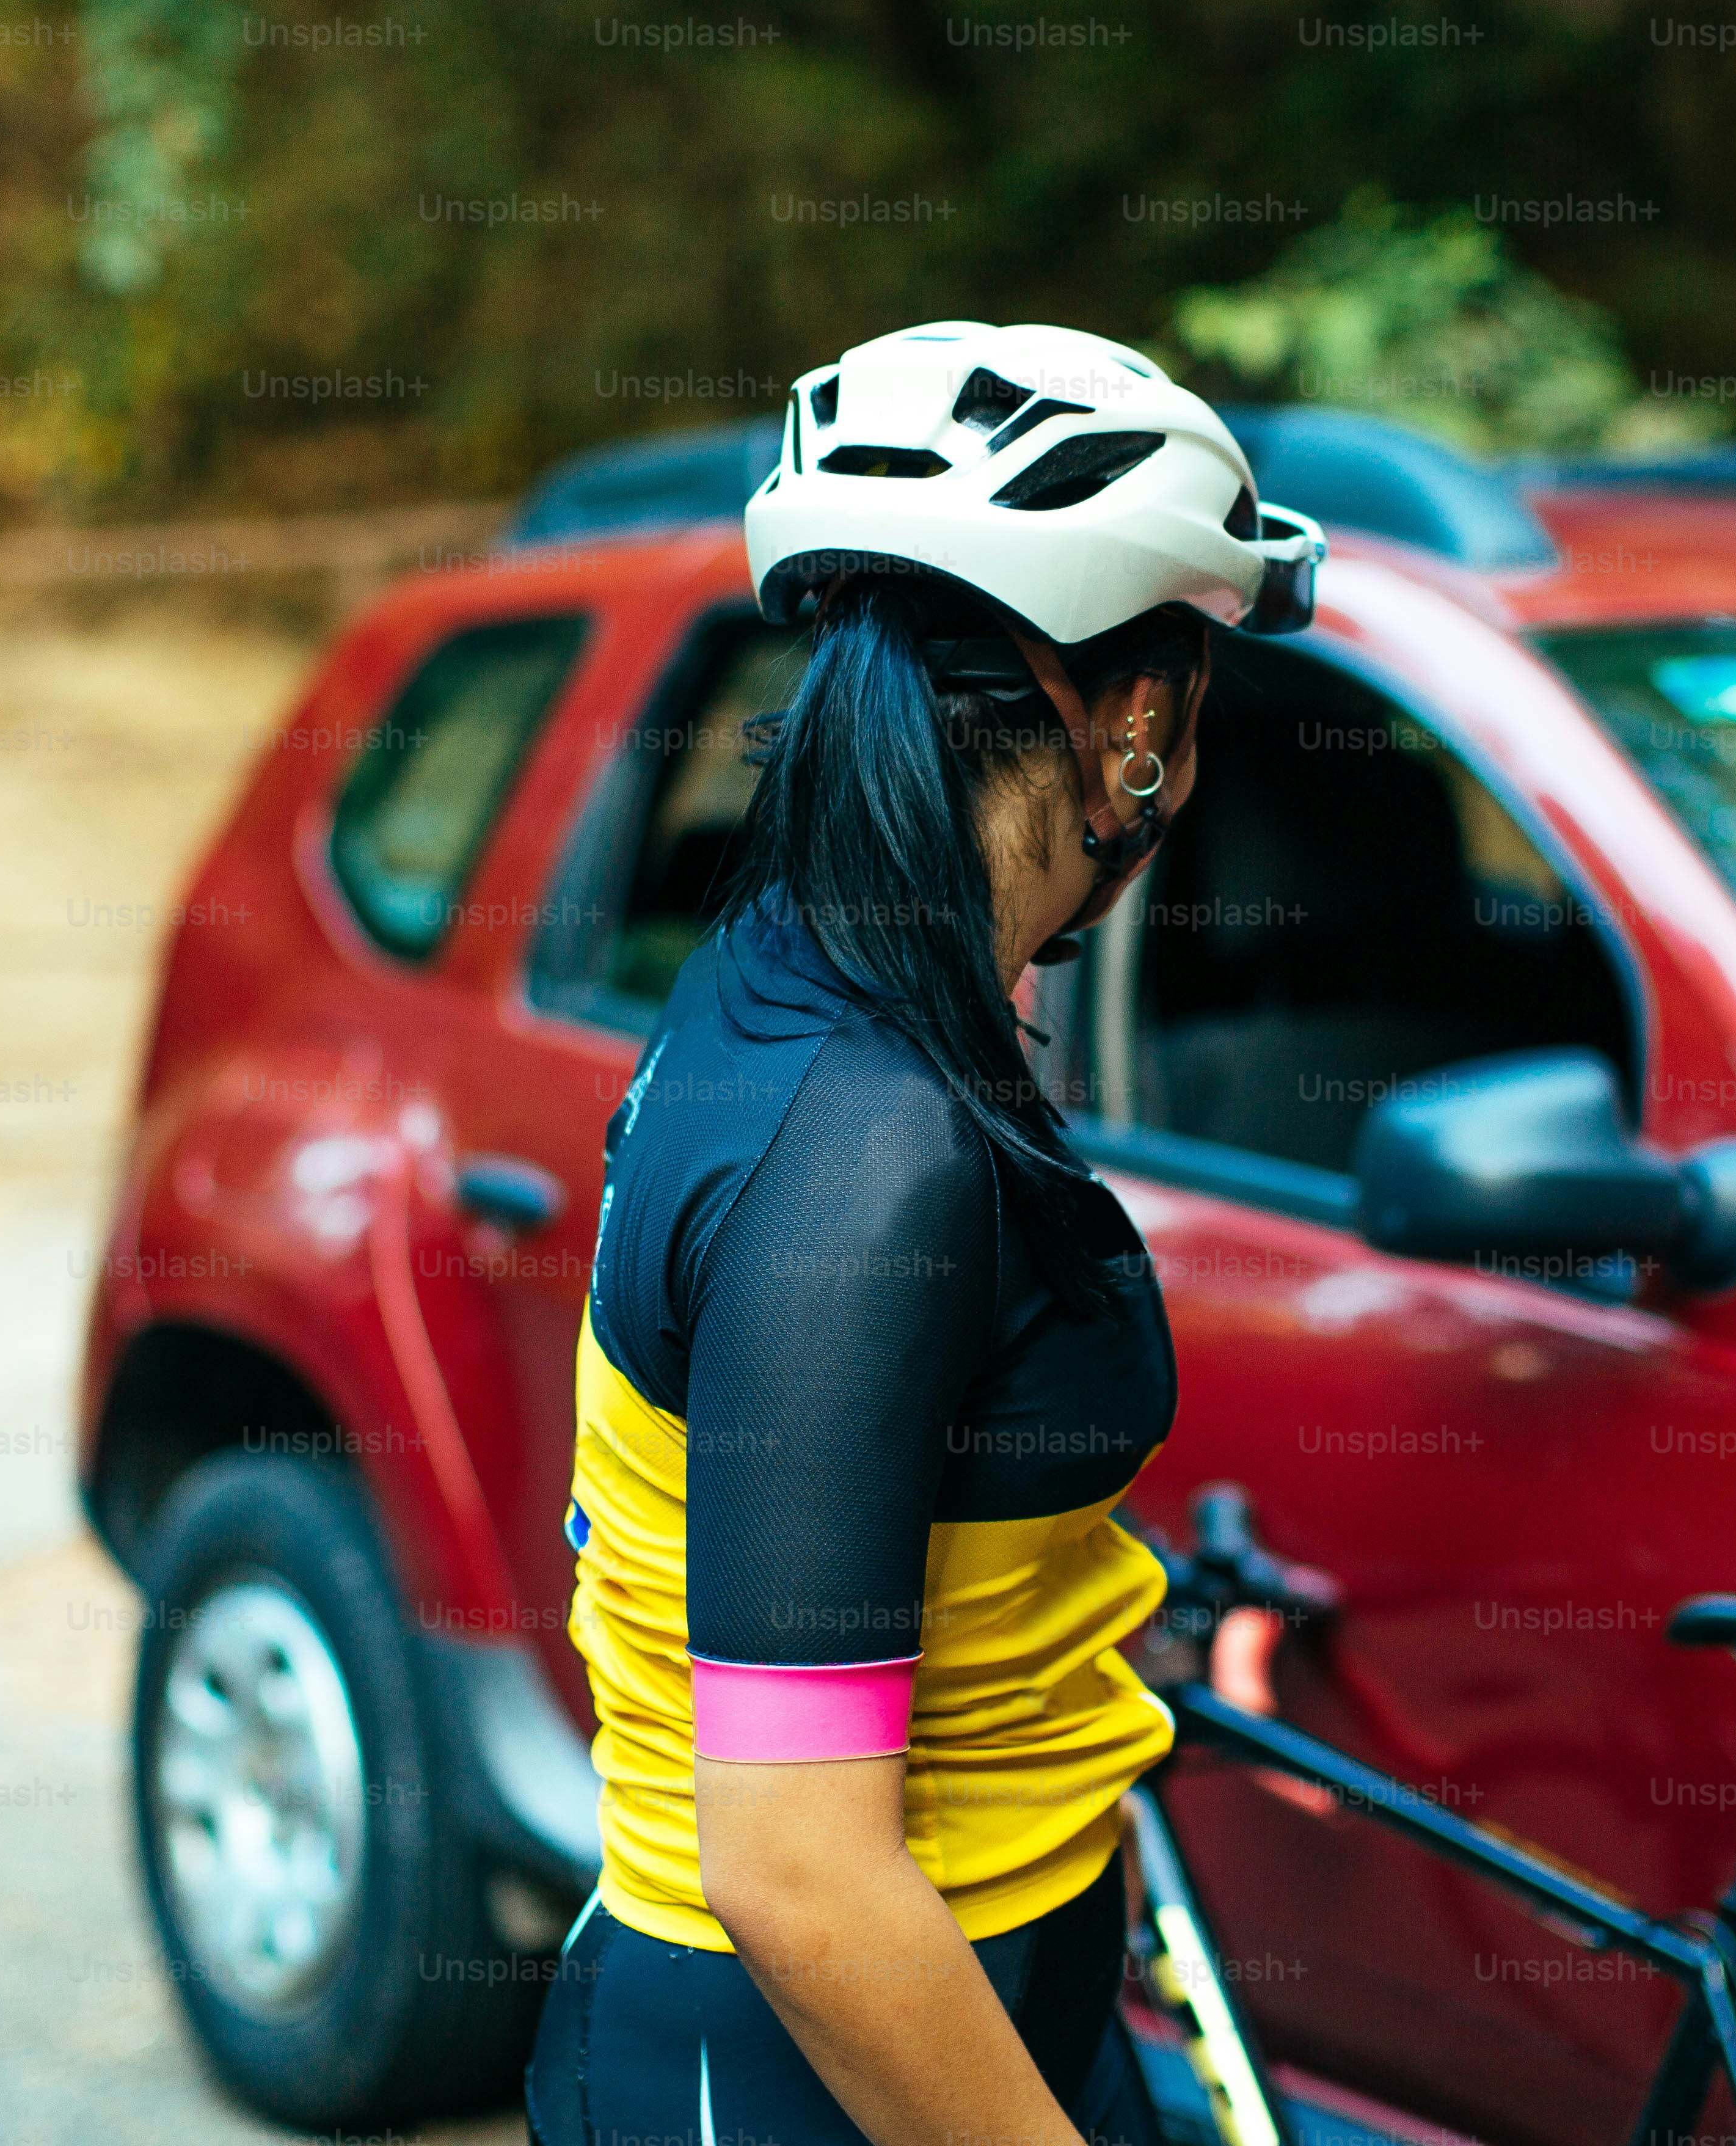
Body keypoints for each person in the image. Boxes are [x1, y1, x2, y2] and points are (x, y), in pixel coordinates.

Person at [525, 321, 1323, 2146]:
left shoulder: (819, 978)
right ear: (1135, 717)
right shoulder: (864, 1149)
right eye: (1191, 706)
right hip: (820, 2065)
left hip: (978, 2010)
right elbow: (797, 1872)